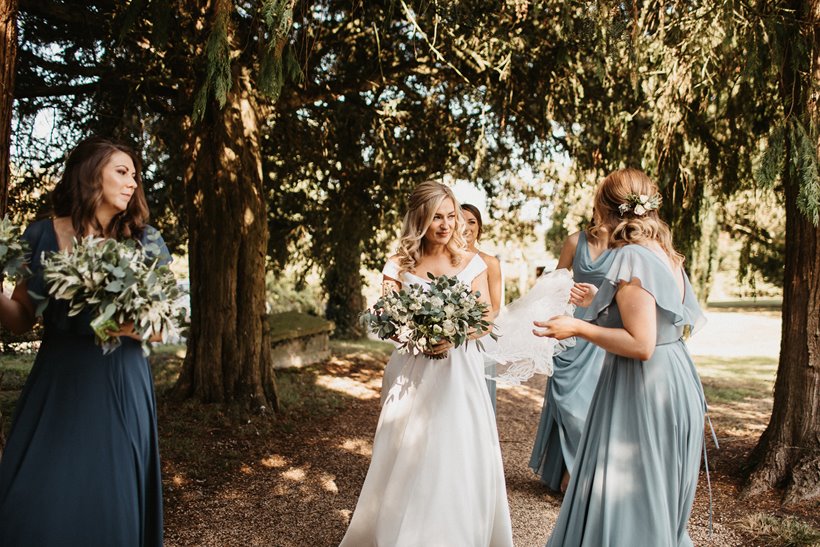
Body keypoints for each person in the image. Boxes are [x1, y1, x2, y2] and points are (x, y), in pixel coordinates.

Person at [0, 137, 170, 546]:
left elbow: (163, 326)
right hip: (59, 383)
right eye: (122, 172)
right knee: (35, 502)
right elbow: (22, 318)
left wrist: (121, 325)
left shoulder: (145, 242)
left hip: (120, 385)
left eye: (135, 175)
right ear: (91, 173)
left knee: (109, 504)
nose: (132, 183)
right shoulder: (41, 235)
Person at [535, 168, 707, 547]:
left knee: (629, 497)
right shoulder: (664, 251)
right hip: (673, 374)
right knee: (653, 495)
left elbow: (641, 342)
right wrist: (593, 303)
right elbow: (659, 318)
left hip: (643, 386)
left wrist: (578, 327)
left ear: (605, 208)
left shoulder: (632, 256)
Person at [341, 181, 513, 547]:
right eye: (437, 216)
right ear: (419, 218)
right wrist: (415, 336)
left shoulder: (473, 263)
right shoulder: (398, 265)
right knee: (406, 452)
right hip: (411, 372)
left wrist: (453, 335)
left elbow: (484, 320)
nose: (447, 225)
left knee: (457, 450)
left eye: (451, 216)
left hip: (459, 373)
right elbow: (385, 321)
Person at [529, 222, 614, 493]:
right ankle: (573, 469)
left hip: (603, 327)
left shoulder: (625, 244)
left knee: (589, 405)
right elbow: (555, 281)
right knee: (567, 404)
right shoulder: (574, 242)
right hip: (570, 329)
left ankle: (578, 476)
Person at [461, 203, 503, 411]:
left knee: (478, 398)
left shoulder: (490, 262)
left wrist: (468, 327)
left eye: (472, 222)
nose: (466, 227)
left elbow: (495, 307)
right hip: (449, 334)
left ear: (479, 227)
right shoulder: (445, 260)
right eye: (461, 221)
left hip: (480, 336)